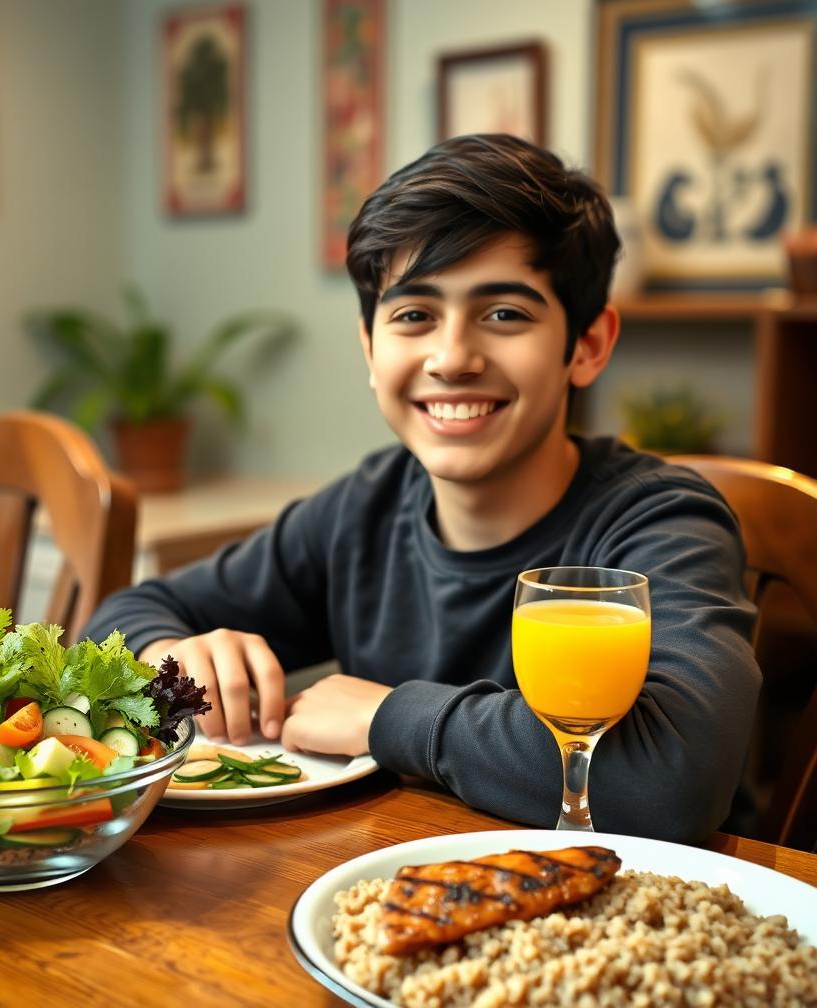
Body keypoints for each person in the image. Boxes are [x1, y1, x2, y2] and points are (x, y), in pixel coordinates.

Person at [85, 134, 759, 842]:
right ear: (371, 350)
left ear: (587, 344)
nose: (452, 358)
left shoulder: (661, 522)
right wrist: (169, 657)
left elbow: (666, 784)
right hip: (408, 889)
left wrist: (387, 718)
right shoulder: (362, 509)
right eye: (413, 316)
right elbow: (130, 610)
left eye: (505, 314)